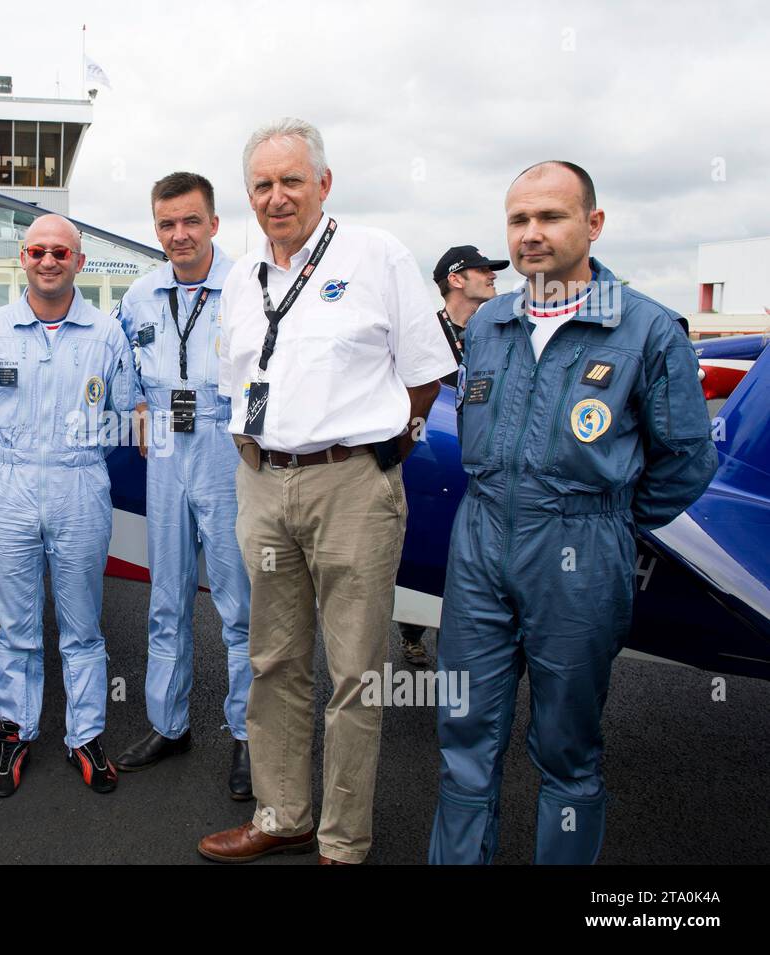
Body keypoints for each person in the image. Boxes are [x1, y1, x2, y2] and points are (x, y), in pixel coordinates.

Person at [429, 161, 718, 865]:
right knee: (464, 731)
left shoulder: (646, 329)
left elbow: (687, 458)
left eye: (550, 217)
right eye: (519, 220)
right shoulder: (491, 322)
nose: (531, 234)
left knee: (567, 746)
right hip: (481, 546)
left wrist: (606, 518)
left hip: (580, 553)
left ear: (592, 224)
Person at [197, 117, 457, 865]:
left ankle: (343, 841)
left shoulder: (378, 255)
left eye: (292, 181)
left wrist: (385, 453)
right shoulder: (242, 279)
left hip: (352, 487)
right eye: (263, 185)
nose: (277, 197)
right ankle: (283, 813)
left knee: (356, 672)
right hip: (263, 484)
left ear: (323, 184)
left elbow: (425, 370)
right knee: (273, 660)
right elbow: (235, 382)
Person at [0, 213, 138, 797]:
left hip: (79, 485)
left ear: (79, 263)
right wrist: (18, 455)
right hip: (11, 483)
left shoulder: (107, 334)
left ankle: (85, 735)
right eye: (37, 250)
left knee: (83, 624)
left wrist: (72, 454)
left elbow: (121, 412)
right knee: (14, 623)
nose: (48, 260)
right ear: (23, 258)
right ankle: (16, 732)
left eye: (60, 253)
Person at [113, 172, 253, 799]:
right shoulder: (140, 294)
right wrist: (135, 404)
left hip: (225, 443)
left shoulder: (250, 286)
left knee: (238, 604)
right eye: (167, 224)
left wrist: (255, 428)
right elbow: (120, 363)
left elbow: (272, 366)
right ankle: (169, 725)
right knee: (165, 595)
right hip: (165, 444)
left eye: (190, 221)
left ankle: (250, 736)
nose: (179, 235)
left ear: (214, 224)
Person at [399, 245, 510, 668]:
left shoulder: (496, 333)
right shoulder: (424, 332)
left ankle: (462, 642)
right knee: (426, 539)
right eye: (484, 270)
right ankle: (412, 629)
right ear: (457, 279)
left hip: (484, 458)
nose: (493, 276)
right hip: (434, 453)